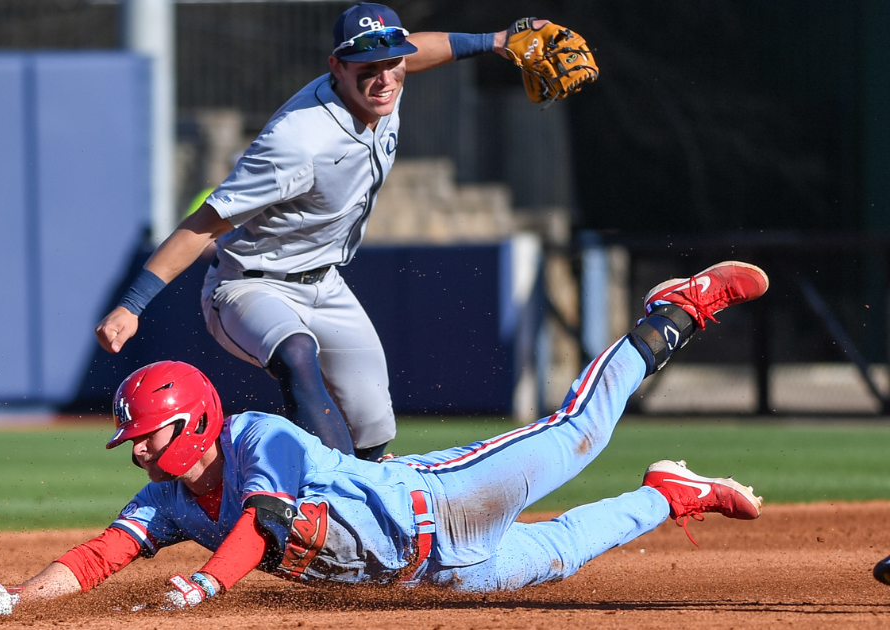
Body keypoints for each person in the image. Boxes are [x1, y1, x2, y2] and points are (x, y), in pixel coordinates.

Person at [17, 261, 769, 604]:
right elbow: (98, 557)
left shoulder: (258, 440)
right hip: (437, 574)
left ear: (192, 421)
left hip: (448, 501)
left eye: (149, 434)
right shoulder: (168, 501)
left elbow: (262, 519)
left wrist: (208, 584)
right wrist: (18, 598)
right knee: (566, 552)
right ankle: (672, 495)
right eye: (136, 439)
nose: (139, 450)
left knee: (581, 432)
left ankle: (676, 311)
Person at [93, 3, 579, 461]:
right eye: (367, 67)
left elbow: (415, 51)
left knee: (374, 428)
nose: (384, 78)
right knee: (296, 351)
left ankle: (353, 500)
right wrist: (131, 305)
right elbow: (203, 224)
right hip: (248, 285)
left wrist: (495, 40)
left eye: (392, 63)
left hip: (325, 283)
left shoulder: (385, 82)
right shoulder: (296, 142)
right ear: (337, 67)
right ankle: (325, 495)